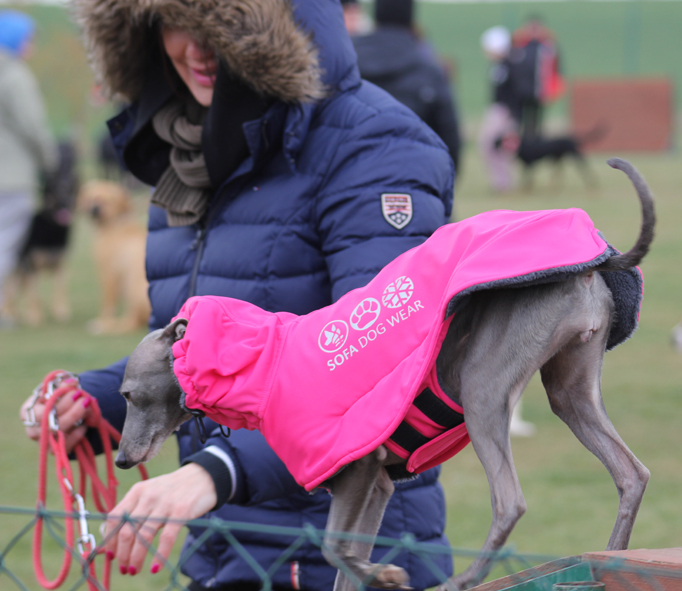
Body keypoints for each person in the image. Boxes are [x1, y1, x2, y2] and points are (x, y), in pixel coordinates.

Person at [18, 1, 455, 590]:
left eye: (218, 26)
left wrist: (215, 472)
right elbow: (198, 361)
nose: (195, 48)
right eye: (174, 21)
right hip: (222, 555)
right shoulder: (187, 158)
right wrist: (99, 401)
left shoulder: (374, 145)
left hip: (349, 557)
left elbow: (383, 365)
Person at [352, 0, 461, 174]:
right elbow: (448, 133)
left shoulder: (348, 62)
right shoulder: (429, 69)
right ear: (411, 17)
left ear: (376, 15)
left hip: (352, 178)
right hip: (413, 179)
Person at [0, 10, 57, 327]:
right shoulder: (14, 75)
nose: (31, 46)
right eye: (29, 39)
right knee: (4, 245)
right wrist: (49, 163)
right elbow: (33, 127)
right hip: (10, 178)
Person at [508, 16, 565, 140]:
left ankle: (535, 145)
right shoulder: (519, 45)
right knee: (519, 121)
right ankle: (521, 146)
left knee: (536, 122)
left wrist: (552, 89)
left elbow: (555, 69)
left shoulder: (548, 47)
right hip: (520, 92)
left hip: (539, 91)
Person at [478, 26, 519, 193]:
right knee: (493, 147)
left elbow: (514, 92)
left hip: (503, 112)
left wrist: (512, 115)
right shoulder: (500, 66)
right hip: (500, 110)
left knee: (491, 146)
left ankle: (503, 183)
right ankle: (501, 182)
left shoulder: (507, 67)